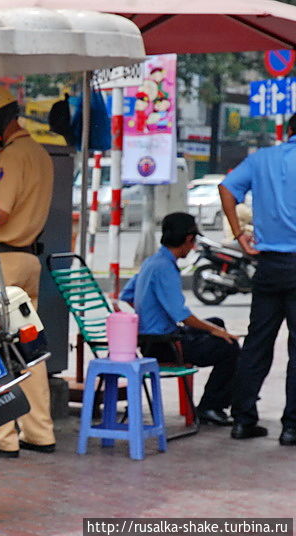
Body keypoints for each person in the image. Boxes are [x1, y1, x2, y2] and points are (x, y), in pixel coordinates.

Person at [0, 84, 56, 457]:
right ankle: (40, 432)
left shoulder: (13, 156)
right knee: (28, 350)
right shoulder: (40, 154)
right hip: (30, 260)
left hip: (1, 263)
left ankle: (4, 437)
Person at [120, 213, 239, 425]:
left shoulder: (152, 262)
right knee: (229, 347)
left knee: (217, 321)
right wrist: (214, 331)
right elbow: (182, 315)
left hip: (150, 339)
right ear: (188, 239)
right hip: (163, 345)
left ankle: (216, 402)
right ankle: (211, 407)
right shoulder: (165, 268)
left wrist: (151, 313)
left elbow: (127, 296)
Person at [219, 113, 296, 444]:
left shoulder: (261, 159)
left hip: (267, 265)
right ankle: (292, 428)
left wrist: (239, 234)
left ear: (289, 131)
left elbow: (226, 188)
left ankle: (243, 419)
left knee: (257, 343)